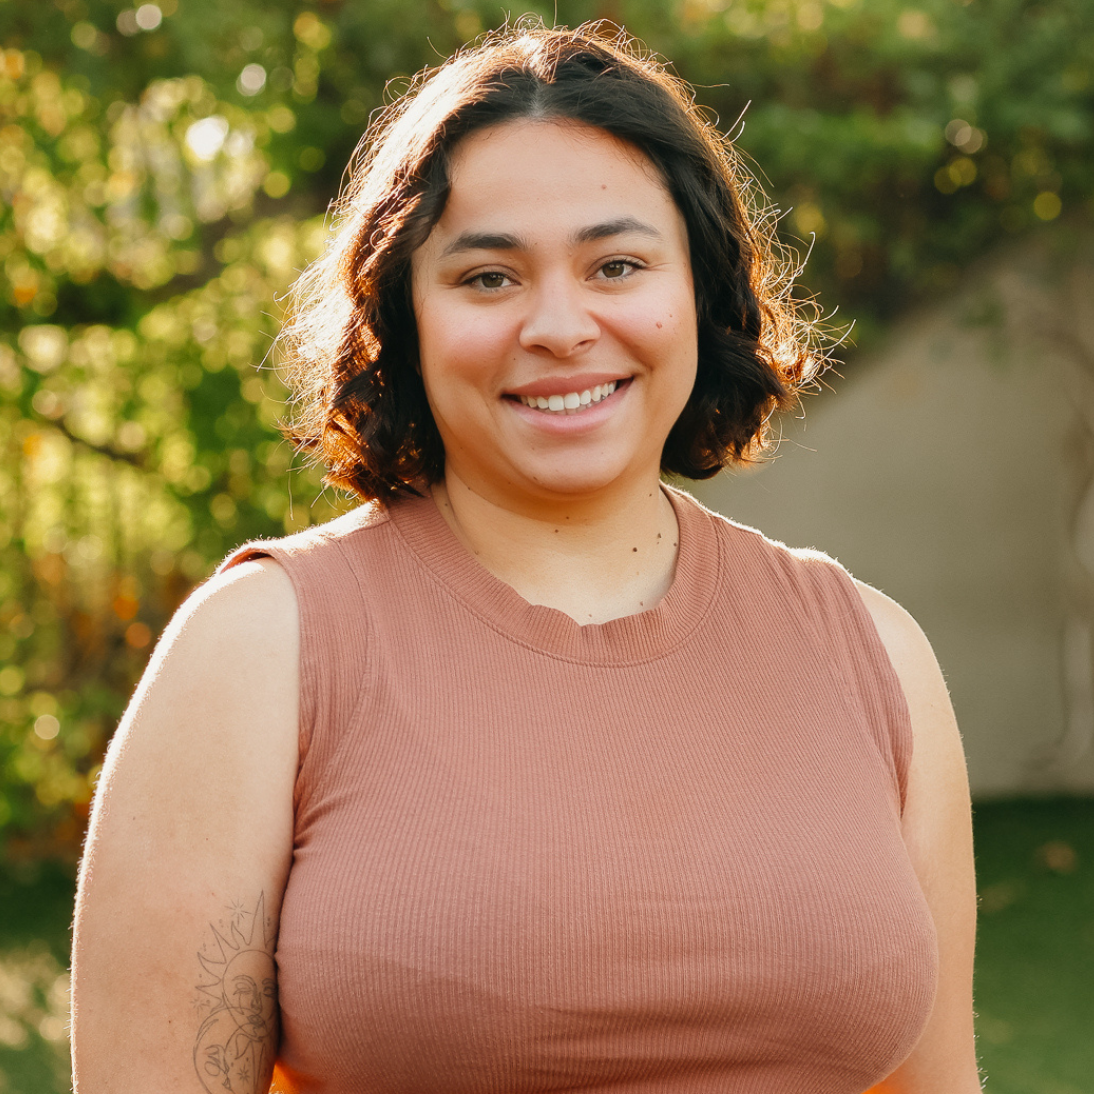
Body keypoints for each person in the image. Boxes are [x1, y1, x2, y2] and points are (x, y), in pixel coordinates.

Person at [71, 23, 980, 1094]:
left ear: (702, 289)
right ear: (403, 317)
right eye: (489, 276)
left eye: (617, 265)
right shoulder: (260, 648)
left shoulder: (872, 652)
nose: (559, 325)